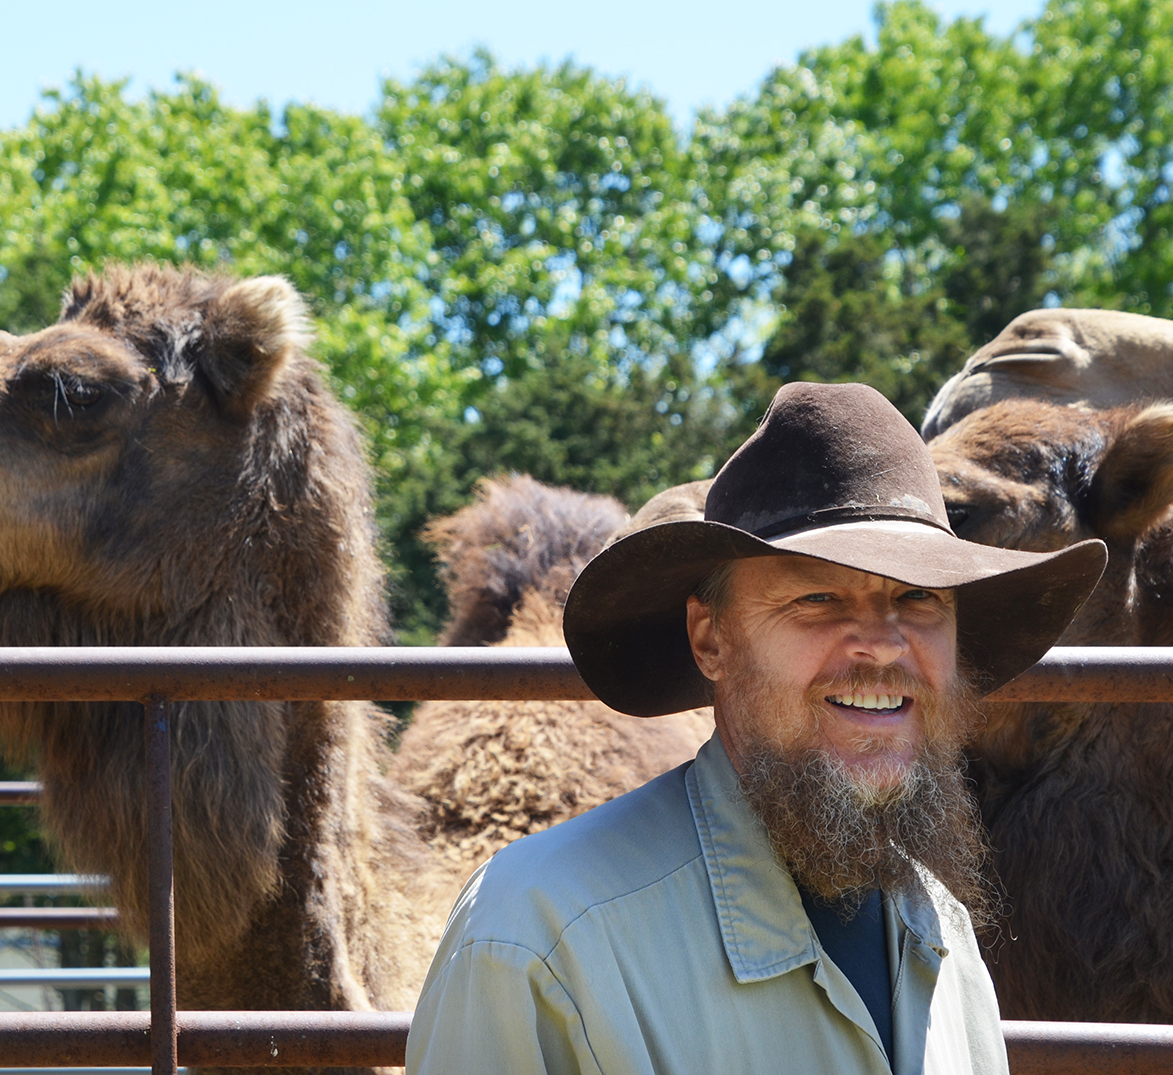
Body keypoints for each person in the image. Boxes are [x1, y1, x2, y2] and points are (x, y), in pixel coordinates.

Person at [405, 382, 1107, 1075]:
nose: (884, 645)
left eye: (918, 598)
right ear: (711, 639)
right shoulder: (539, 940)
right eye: (818, 597)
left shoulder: (943, 935)